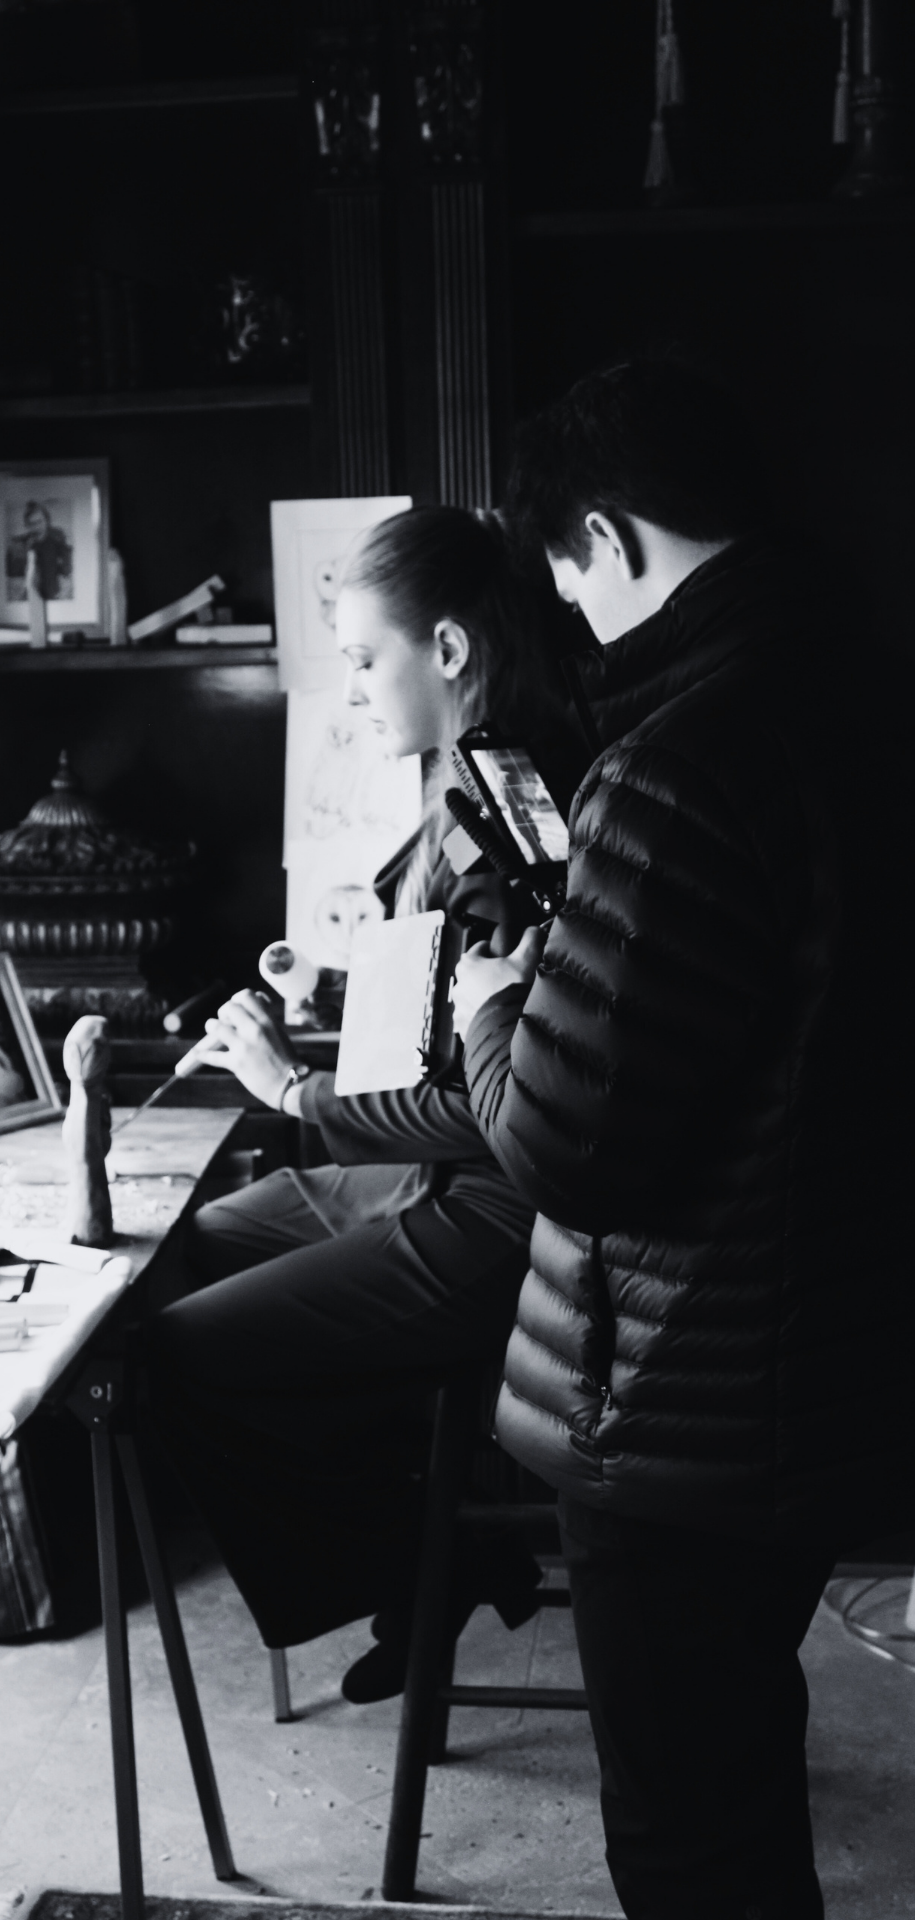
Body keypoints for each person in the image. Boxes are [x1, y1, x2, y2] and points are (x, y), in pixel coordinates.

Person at [451, 360, 913, 1919]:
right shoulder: (864, 687)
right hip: (840, 1349)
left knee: (689, 1831)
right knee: (735, 1764)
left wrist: (498, 1003)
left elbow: (571, 1148)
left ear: (604, 535)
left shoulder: (679, 761)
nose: (572, 623)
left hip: (684, 1399)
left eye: (566, 581)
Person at [150, 506, 577, 1701]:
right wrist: (318, 1009)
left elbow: (511, 1104)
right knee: (174, 1258)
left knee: (177, 1355)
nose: (350, 692)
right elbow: (436, 1018)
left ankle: (423, 1560)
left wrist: (296, 1089)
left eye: (359, 658)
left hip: (487, 1212)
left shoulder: (512, 815)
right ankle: (429, 1551)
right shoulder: (461, 772)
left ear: (444, 648)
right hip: (402, 1174)